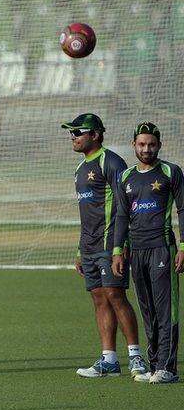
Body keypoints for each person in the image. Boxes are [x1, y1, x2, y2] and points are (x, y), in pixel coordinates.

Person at [63, 113, 144, 378]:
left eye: (78, 132)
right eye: (72, 133)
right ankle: (109, 359)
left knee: (115, 296)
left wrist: (120, 247)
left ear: (95, 135)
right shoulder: (79, 169)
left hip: (111, 244)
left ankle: (136, 357)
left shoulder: (111, 161)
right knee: (99, 299)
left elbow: (124, 205)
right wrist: (79, 249)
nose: (73, 137)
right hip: (89, 246)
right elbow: (86, 213)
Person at [112, 122, 181, 384]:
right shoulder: (126, 177)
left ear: (159, 145)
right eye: (142, 144)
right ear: (134, 145)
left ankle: (168, 368)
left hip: (162, 247)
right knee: (147, 309)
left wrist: (183, 247)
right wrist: (118, 250)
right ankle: (153, 366)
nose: (146, 149)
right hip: (136, 251)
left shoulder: (170, 172)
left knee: (166, 310)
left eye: (151, 144)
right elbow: (121, 215)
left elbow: (183, 210)